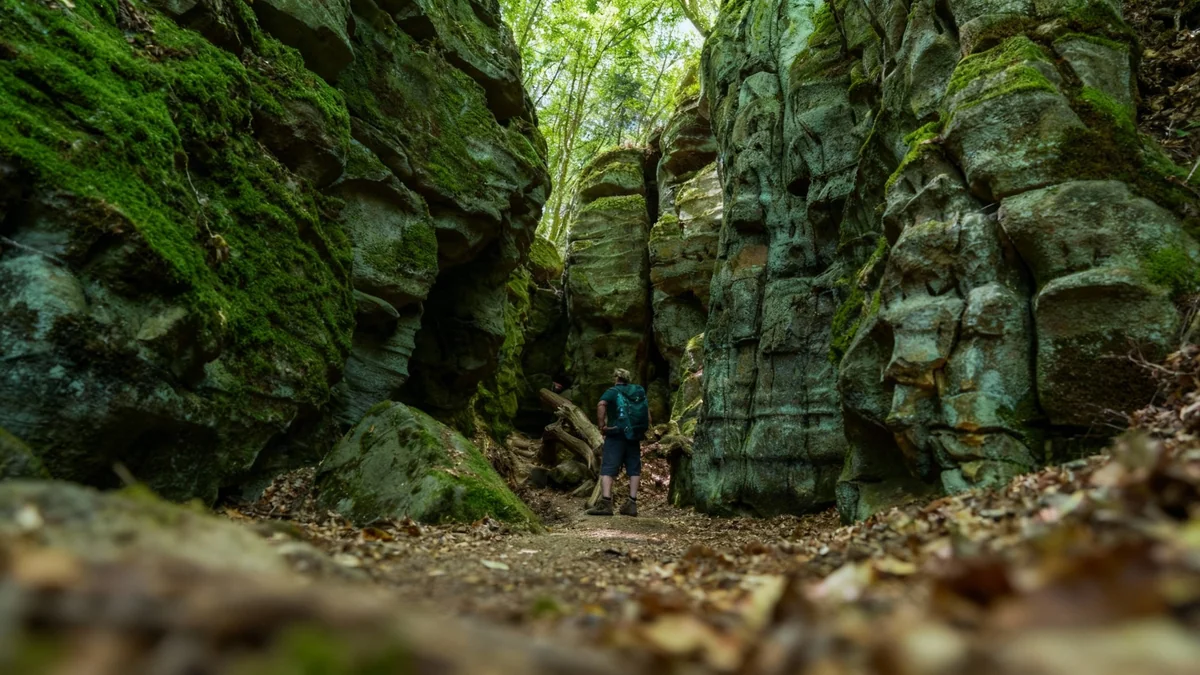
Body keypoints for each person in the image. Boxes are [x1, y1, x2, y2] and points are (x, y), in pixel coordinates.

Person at [586, 368, 651, 517]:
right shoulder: (638, 390)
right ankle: (632, 503)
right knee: (634, 469)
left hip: (616, 434)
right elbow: (646, 411)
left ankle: (606, 503)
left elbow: (601, 404)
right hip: (634, 435)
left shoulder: (613, 391)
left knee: (608, 468)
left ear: (616, 378)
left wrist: (602, 425)